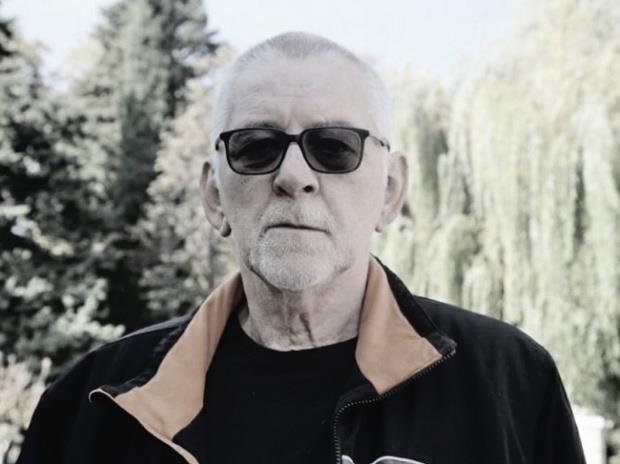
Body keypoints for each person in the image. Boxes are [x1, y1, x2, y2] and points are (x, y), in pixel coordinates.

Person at [17, 32, 585, 464]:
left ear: (390, 190)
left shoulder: (511, 384)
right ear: (214, 195)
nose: (293, 176)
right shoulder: (91, 405)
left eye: (334, 147)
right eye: (255, 147)